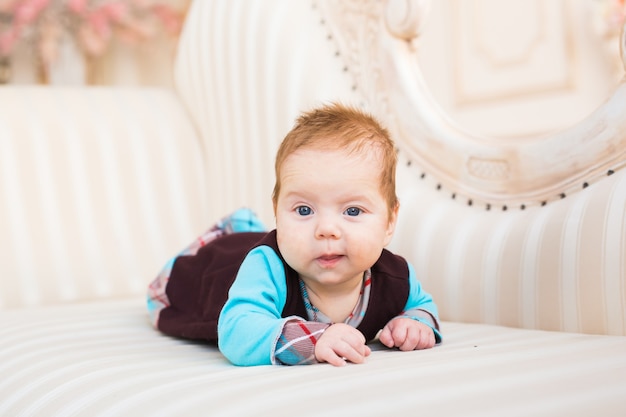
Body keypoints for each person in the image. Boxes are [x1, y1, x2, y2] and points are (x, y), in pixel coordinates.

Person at [147, 103, 441, 366]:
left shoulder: (396, 276)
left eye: (352, 211)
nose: (326, 229)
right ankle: (232, 231)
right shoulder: (266, 266)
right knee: (192, 273)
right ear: (277, 212)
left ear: (389, 221)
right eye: (303, 210)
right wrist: (314, 339)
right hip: (213, 269)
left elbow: (420, 304)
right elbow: (237, 331)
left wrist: (414, 322)